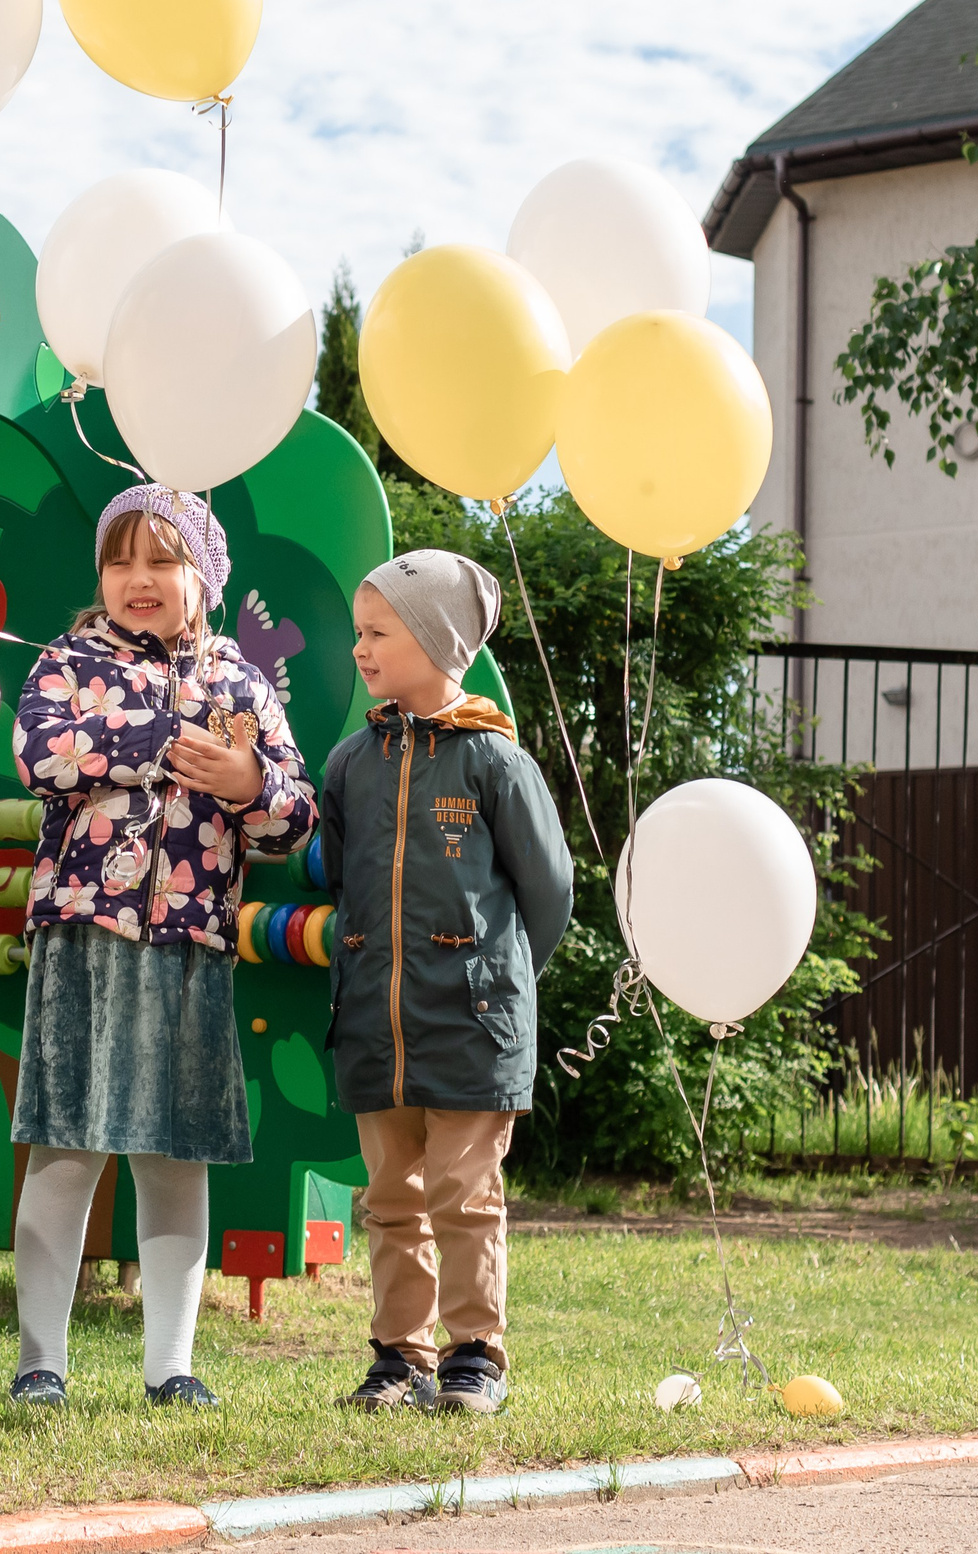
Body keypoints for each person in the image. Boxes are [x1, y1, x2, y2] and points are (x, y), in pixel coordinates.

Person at [5, 484, 316, 1408]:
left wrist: (246, 778)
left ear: (203, 577)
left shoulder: (241, 683)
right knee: (65, 1149)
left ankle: (171, 1367)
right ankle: (39, 1364)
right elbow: (41, 755)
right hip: (83, 938)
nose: (138, 580)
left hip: (191, 942)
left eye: (162, 561)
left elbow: (292, 820)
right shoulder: (67, 660)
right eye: (120, 560)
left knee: (176, 1158)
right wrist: (161, 735)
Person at [318, 550, 574, 1417]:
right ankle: (400, 1357)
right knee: (392, 1198)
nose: (361, 648)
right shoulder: (352, 762)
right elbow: (341, 873)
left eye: (378, 632)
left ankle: (475, 1356)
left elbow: (549, 892)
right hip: (377, 1022)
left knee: (465, 1194)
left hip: (471, 1022)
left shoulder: (494, 763)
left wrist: (495, 983)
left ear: (435, 641)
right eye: (359, 632)